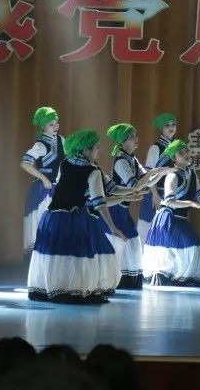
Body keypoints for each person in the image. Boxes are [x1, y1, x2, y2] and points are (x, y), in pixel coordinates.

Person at [27, 129, 123, 303]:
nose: (98, 151)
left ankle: (57, 288)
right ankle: (73, 290)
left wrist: (129, 194)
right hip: (74, 218)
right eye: (96, 147)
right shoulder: (93, 171)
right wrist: (113, 227)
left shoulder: (65, 164)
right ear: (86, 150)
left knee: (58, 255)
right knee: (77, 255)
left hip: (53, 217)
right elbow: (99, 204)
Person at [142, 140, 200, 286]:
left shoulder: (191, 173)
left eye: (187, 151)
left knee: (194, 245)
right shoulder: (172, 175)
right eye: (181, 153)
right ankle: (172, 276)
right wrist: (191, 204)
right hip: (168, 218)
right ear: (174, 158)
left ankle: (184, 276)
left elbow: (198, 192)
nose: (186, 154)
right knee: (189, 246)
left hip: (180, 218)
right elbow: (169, 201)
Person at [106, 122, 168, 289]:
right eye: (131, 137)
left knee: (132, 243)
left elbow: (146, 182)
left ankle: (126, 280)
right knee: (125, 243)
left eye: (135, 136)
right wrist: (152, 173)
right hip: (115, 209)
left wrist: (159, 173)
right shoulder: (121, 161)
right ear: (123, 141)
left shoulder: (131, 159)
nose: (136, 139)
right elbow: (135, 185)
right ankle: (118, 280)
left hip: (122, 209)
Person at [20, 107, 65, 257]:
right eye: (51, 124)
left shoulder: (61, 140)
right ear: (43, 127)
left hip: (58, 189)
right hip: (44, 191)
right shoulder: (40, 145)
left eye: (56, 123)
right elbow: (25, 163)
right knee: (44, 226)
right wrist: (43, 178)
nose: (55, 126)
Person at [138, 113, 178, 242]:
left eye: (173, 124)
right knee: (150, 228)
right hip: (155, 193)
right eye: (167, 125)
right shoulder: (155, 148)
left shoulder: (178, 147)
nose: (171, 128)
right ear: (161, 129)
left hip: (171, 194)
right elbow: (148, 173)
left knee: (168, 230)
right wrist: (154, 194)